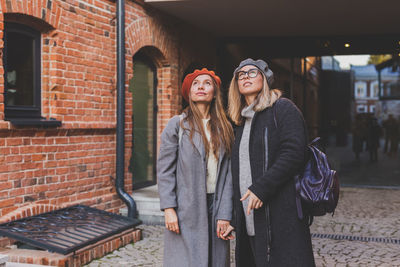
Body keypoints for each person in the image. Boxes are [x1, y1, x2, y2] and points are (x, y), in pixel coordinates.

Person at [225, 58, 315, 266]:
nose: (246, 77)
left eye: (252, 73)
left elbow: (294, 153)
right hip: (249, 216)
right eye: (241, 74)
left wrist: (261, 188)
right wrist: (232, 218)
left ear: (265, 79)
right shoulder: (238, 121)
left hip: (281, 212)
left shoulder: (282, 109)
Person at [157, 68, 234, 267]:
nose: (201, 86)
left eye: (207, 83)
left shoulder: (225, 128)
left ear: (215, 92)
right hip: (186, 207)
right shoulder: (177, 125)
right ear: (189, 93)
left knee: (216, 261)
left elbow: (229, 175)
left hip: (215, 205)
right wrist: (168, 208)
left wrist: (225, 213)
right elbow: (165, 170)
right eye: (195, 84)